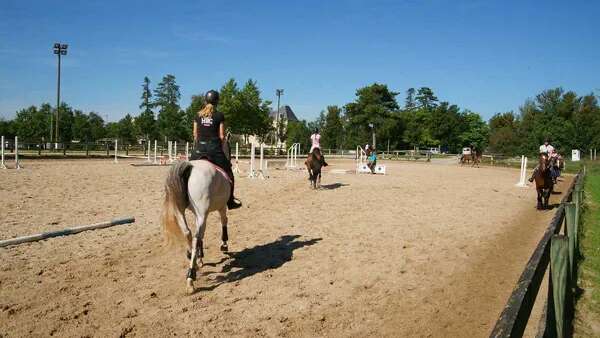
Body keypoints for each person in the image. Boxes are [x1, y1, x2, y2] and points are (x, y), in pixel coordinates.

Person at [190, 90, 242, 210]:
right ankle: (230, 201)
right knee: (229, 173)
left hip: (198, 150)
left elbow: (195, 134)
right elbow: (222, 135)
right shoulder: (219, 116)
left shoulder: (197, 115)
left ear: (205, 100)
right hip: (214, 150)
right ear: (217, 101)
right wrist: (222, 144)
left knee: (185, 171)